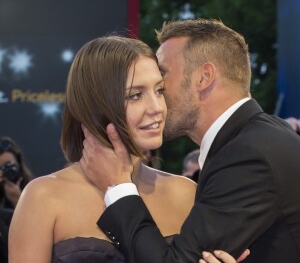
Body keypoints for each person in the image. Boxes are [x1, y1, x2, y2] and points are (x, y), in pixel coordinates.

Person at [79, 19, 300, 263]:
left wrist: (118, 186)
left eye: (162, 76)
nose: (157, 96)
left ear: (204, 78)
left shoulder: (247, 155)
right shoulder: (262, 137)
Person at [8, 36, 243, 263]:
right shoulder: (43, 198)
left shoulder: (184, 193)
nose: (157, 108)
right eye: (136, 95)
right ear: (96, 106)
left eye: (159, 90)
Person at [0, 137, 33, 209]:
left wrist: (18, 200)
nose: (5, 172)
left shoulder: (33, 191)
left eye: (8, 165)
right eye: (0, 168)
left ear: (18, 165)